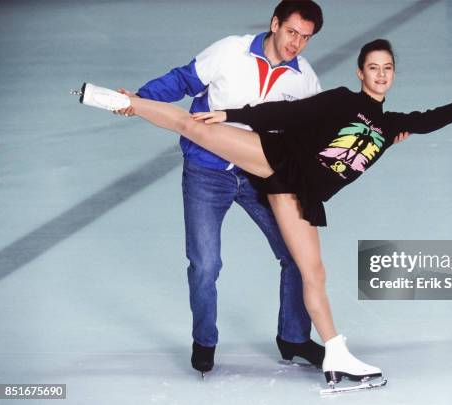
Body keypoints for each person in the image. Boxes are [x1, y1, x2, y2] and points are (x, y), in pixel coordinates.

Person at [77, 39, 452, 392]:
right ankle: (121, 102)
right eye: (373, 67)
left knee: (314, 273)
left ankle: (335, 353)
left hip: (304, 194)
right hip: (278, 160)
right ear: (361, 72)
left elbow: (439, 116)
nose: (381, 74)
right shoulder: (340, 100)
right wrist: (230, 114)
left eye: (387, 68)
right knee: (193, 125)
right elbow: (289, 112)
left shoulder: (392, 127)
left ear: (394, 74)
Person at [114, 1, 329, 375]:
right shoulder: (231, 50)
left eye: (305, 38)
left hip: (264, 177)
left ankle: (294, 337)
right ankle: (205, 340)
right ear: (275, 24)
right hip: (207, 171)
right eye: (292, 32)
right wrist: (139, 101)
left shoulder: (305, 80)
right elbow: (182, 81)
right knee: (205, 264)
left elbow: (312, 133)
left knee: (296, 255)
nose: (296, 43)